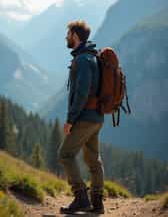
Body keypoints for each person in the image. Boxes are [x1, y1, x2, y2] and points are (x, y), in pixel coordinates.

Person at [58, 20, 105, 214]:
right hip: (96, 117)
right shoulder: (91, 57)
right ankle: (97, 203)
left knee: (65, 154)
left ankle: (81, 198)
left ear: (75, 36)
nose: (66, 37)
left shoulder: (83, 60)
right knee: (93, 160)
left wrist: (70, 119)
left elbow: (82, 91)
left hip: (84, 117)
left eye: (68, 34)